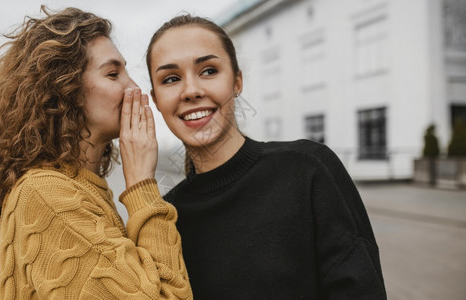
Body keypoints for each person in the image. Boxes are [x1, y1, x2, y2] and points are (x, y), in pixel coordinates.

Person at [146, 14, 387, 299]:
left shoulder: (307, 169)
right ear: (156, 100)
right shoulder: (166, 217)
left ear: (237, 81)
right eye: (171, 79)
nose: (191, 91)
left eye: (209, 71)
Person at [0, 7, 192, 299]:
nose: (134, 88)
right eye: (113, 74)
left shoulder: (78, 187)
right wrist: (141, 185)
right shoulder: (48, 196)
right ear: (65, 87)